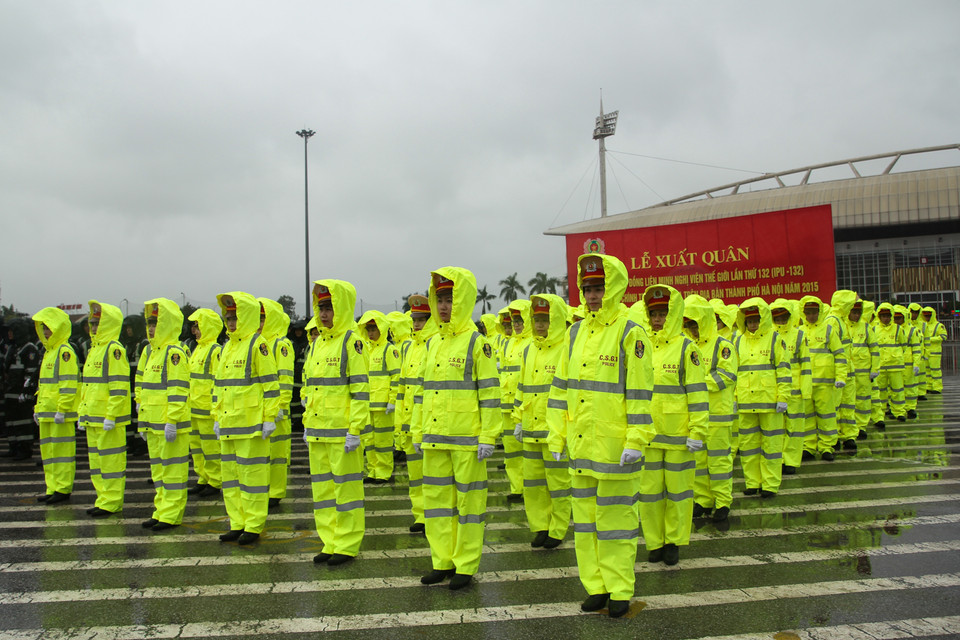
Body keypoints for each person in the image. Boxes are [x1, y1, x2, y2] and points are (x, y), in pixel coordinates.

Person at [547, 253, 655, 618]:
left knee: (618, 524)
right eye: (588, 288)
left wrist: (637, 440)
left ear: (614, 288)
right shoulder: (574, 332)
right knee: (586, 523)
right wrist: (556, 436)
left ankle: (620, 588)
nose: (592, 295)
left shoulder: (630, 332)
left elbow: (640, 392)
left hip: (615, 448)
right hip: (580, 448)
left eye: (600, 288)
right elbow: (560, 388)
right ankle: (595, 586)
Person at [411, 268, 501, 590]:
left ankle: (465, 565)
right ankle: (441, 561)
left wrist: (488, 435)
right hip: (435, 440)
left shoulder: (478, 344)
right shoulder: (432, 343)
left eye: (450, 299)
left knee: (469, 507)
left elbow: (490, 393)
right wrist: (416, 430)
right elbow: (422, 391)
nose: (445, 306)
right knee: (436, 504)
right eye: (441, 299)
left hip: (467, 441)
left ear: (462, 300)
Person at [631, 285, 707, 566]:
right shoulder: (641, 347)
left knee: (678, 493)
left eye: (663, 313)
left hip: (679, 436)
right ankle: (655, 542)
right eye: (654, 313)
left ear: (673, 314)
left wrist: (698, 431)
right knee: (649, 495)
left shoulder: (688, 348)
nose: (658, 319)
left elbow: (698, 393)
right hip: (649, 435)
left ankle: (674, 541)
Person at [301, 280, 369, 566]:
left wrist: (355, 429)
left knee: (347, 491)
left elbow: (360, 390)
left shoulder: (352, 342)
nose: (324, 313)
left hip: (343, 434)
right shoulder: (317, 344)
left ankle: (347, 544)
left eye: (329, 307)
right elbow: (309, 387)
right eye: (321, 307)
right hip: (318, 432)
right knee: (324, 492)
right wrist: (307, 423)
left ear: (340, 308)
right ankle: (329, 542)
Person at [213, 292, 280, 545]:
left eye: (235, 317)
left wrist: (269, 417)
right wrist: (216, 416)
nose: (231, 322)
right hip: (229, 424)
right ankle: (236, 522)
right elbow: (219, 386)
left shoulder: (257, 344)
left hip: (251, 425)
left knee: (252, 480)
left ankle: (253, 525)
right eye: (228, 318)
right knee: (230, 479)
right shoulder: (227, 346)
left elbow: (270, 384)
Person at [513, 294, 571, 548]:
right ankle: (540, 526)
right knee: (534, 484)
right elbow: (521, 387)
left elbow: (570, 392)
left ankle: (557, 529)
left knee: (559, 485)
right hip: (530, 427)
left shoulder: (566, 349)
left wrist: (565, 427)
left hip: (553, 430)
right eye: (536, 319)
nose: (540, 325)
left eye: (545, 320)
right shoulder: (528, 350)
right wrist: (518, 418)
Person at [136, 299, 191, 530]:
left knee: (173, 471)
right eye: (149, 322)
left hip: (170, 424)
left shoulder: (174, 353)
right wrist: (142, 417)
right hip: (152, 422)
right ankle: (160, 510)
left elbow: (178, 390)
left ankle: (171, 514)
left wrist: (173, 420)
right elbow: (140, 384)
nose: (151, 328)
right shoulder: (149, 351)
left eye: (156, 323)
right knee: (158, 471)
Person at [683, 294, 738, 522]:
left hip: (718, 414)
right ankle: (703, 500)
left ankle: (722, 501)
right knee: (699, 462)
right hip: (696, 416)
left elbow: (726, 375)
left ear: (704, 321)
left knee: (719, 460)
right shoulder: (687, 345)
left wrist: (696, 384)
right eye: (688, 325)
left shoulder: (723, 346)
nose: (692, 329)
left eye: (695, 324)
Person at [77, 300, 131, 516]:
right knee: (97, 463)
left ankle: (111, 501)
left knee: (111, 462)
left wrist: (112, 415)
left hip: (108, 419)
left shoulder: (113, 349)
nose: (93, 327)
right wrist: (82, 412)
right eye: (91, 323)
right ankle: (102, 498)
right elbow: (87, 386)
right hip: (93, 417)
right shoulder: (94, 349)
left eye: (97, 323)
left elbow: (118, 386)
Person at [735, 298, 790, 495]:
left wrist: (783, 397)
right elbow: (734, 372)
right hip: (745, 403)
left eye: (756, 320)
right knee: (748, 447)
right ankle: (752, 483)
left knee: (771, 446)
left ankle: (770, 485)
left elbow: (783, 370)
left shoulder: (775, 339)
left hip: (770, 403)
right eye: (749, 321)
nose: (753, 324)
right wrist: (734, 398)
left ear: (763, 319)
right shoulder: (738, 340)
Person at [394, 294, 437, 533]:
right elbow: (403, 390)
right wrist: (401, 425)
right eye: (415, 319)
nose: (417, 324)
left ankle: (432, 514)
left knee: (432, 476)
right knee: (415, 476)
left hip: (427, 423)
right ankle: (420, 515)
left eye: (421, 319)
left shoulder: (434, 344)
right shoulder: (410, 348)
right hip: (410, 422)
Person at [32, 307, 80, 504]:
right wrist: (37, 408)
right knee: (49, 453)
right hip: (46, 411)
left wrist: (63, 408)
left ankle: (63, 487)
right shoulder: (49, 352)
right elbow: (43, 385)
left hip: (60, 413)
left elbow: (68, 384)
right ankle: (52, 486)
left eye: (49, 328)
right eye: (43, 328)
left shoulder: (64, 352)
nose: (45, 332)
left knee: (62, 453)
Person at [799, 295, 847, 461]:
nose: (811, 315)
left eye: (814, 312)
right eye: (808, 312)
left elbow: (840, 355)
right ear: (803, 313)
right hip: (805, 383)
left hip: (825, 383)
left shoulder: (828, 330)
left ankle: (827, 447)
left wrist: (841, 376)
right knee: (807, 417)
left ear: (819, 312)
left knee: (827, 416)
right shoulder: (800, 332)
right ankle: (808, 446)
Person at [259, 298, 295, 508]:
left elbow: (285, 378)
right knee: (263, 455)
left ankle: (276, 491)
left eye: (263, 319)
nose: (259, 323)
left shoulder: (280, 344)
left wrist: (281, 406)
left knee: (277, 455)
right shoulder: (259, 343)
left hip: (277, 411)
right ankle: (265, 489)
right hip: (261, 409)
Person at [358, 310, 401, 484]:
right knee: (369, 441)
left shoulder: (389, 350)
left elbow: (396, 376)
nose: (370, 332)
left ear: (381, 329)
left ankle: (383, 472)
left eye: (374, 329)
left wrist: (392, 400)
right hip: (368, 404)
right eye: (368, 329)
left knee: (383, 442)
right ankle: (372, 471)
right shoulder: (365, 349)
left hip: (383, 406)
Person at [186, 308, 224, 499]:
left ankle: (215, 480)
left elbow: (218, 381)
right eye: (194, 327)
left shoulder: (215, 350)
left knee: (211, 448)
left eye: (198, 326)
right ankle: (203, 477)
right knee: (197, 448)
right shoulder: (197, 349)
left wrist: (216, 409)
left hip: (207, 410)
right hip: (194, 408)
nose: (195, 331)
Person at [769, 299, 810, 474]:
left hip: (795, 389)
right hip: (775, 390)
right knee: (776, 428)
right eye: (777, 318)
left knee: (794, 427)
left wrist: (806, 391)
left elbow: (806, 365)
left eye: (783, 317)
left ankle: (791, 461)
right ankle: (777, 459)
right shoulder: (769, 336)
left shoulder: (799, 335)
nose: (780, 321)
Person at [500, 300, 532, 501]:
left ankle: (528, 487)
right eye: (514, 320)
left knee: (527, 453)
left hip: (525, 405)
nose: (516, 324)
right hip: (506, 406)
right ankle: (516, 488)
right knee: (511, 453)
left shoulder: (532, 342)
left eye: (520, 320)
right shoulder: (508, 343)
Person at [3, 317, 40, 460]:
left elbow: (30, 372)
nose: (9, 334)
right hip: (11, 392)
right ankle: (13, 446)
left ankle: (25, 449)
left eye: (12, 331)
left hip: (21, 392)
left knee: (23, 421)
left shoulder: (29, 348)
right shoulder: (14, 347)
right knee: (11, 420)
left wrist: (27, 392)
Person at [873, 303, 906, 426]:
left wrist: (896, 355)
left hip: (895, 365)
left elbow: (904, 345)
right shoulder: (874, 329)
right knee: (880, 391)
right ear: (879, 316)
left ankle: (899, 412)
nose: (885, 318)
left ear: (891, 316)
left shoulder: (898, 329)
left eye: (887, 316)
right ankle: (880, 415)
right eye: (883, 316)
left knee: (897, 390)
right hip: (880, 366)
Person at [893, 305, 921, 420]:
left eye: (899, 318)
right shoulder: (892, 329)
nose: (897, 321)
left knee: (910, 387)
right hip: (895, 364)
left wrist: (916, 364)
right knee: (896, 389)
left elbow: (916, 348)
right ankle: (896, 409)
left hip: (908, 364)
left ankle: (910, 408)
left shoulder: (912, 330)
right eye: (895, 318)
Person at [921, 306, 947, 395]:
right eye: (925, 316)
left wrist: (929, 339)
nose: (927, 317)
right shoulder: (923, 325)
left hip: (935, 353)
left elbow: (943, 337)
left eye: (928, 316)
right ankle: (928, 386)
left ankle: (937, 387)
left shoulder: (939, 325)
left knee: (935, 370)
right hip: (926, 352)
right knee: (927, 371)